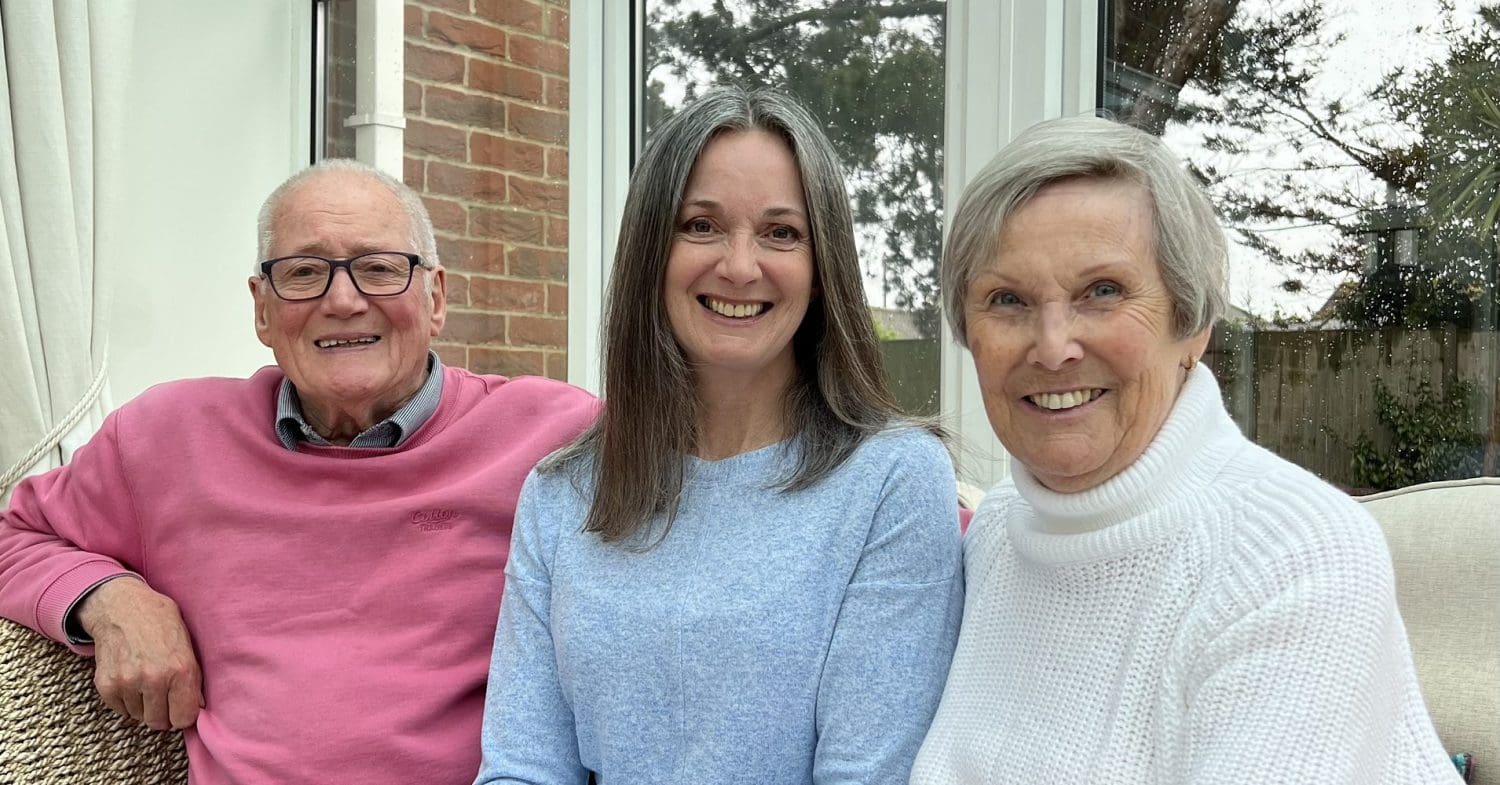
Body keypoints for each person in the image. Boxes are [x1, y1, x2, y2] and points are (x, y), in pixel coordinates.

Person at [0, 159, 598, 785]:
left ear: (436, 297)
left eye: (379, 268)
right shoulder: (166, 438)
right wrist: (108, 598)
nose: (343, 301)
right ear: (262, 309)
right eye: (305, 273)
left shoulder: (553, 436)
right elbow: (16, 536)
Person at [909, 115, 1460, 784]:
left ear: (1192, 323)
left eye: (1103, 291)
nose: (1052, 346)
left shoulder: (1294, 553)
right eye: (1007, 299)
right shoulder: (998, 530)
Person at [473, 87, 964, 785]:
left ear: (823, 270)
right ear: (652, 252)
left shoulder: (892, 482)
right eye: (701, 225)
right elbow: (521, 767)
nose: (739, 265)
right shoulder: (563, 493)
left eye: (781, 233)